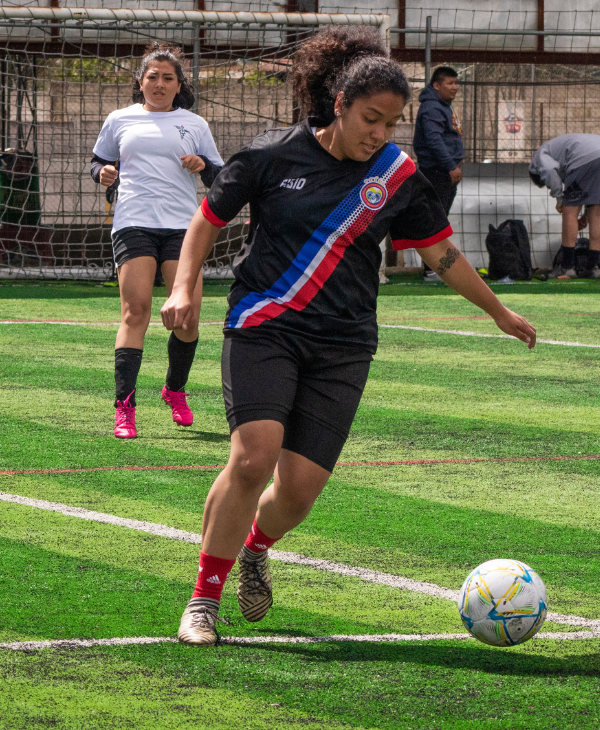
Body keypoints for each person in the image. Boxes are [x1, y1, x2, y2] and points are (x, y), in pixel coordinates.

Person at [161, 26, 536, 647]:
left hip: (345, 342)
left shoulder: (397, 173)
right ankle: (203, 601)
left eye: (391, 123)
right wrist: (184, 287)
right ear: (339, 104)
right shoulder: (270, 156)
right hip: (265, 324)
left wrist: (497, 311)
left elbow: (442, 253)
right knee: (254, 457)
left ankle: (255, 549)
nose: (379, 134)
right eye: (370, 118)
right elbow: (207, 220)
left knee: (300, 492)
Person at [91, 42, 223, 439]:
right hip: (133, 222)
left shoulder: (195, 124)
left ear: (179, 85)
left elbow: (220, 177)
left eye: (168, 78)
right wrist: (102, 173)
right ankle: (124, 409)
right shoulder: (119, 120)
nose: (160, 84)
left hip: (185, 228)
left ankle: (174, 389)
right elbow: (97, 161)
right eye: (153, 77)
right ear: (141, 81)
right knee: (137, 311)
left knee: (188, 317)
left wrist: (203, 166)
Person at [413, 66, 464, 281]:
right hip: (437, 171)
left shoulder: (442, 106)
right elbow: (434, 140)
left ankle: (433, 267)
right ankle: (431, 268)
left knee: (438, 218)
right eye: (449, 83)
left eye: (455, 82)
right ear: (436, 85)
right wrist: (450, 166)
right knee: (435, 219)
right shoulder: (433, 108)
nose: (455, 87)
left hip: (442, 170)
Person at [529, 133, 600, 279]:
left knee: (569, 211)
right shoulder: (556, 148)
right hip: (594, 152)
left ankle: (567, 267)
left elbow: (550, 172)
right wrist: (585, 216)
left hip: (583, 158)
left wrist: (560, 198)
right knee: (597, 212)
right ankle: (593, 268)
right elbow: (590, 190)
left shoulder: (538, 159)